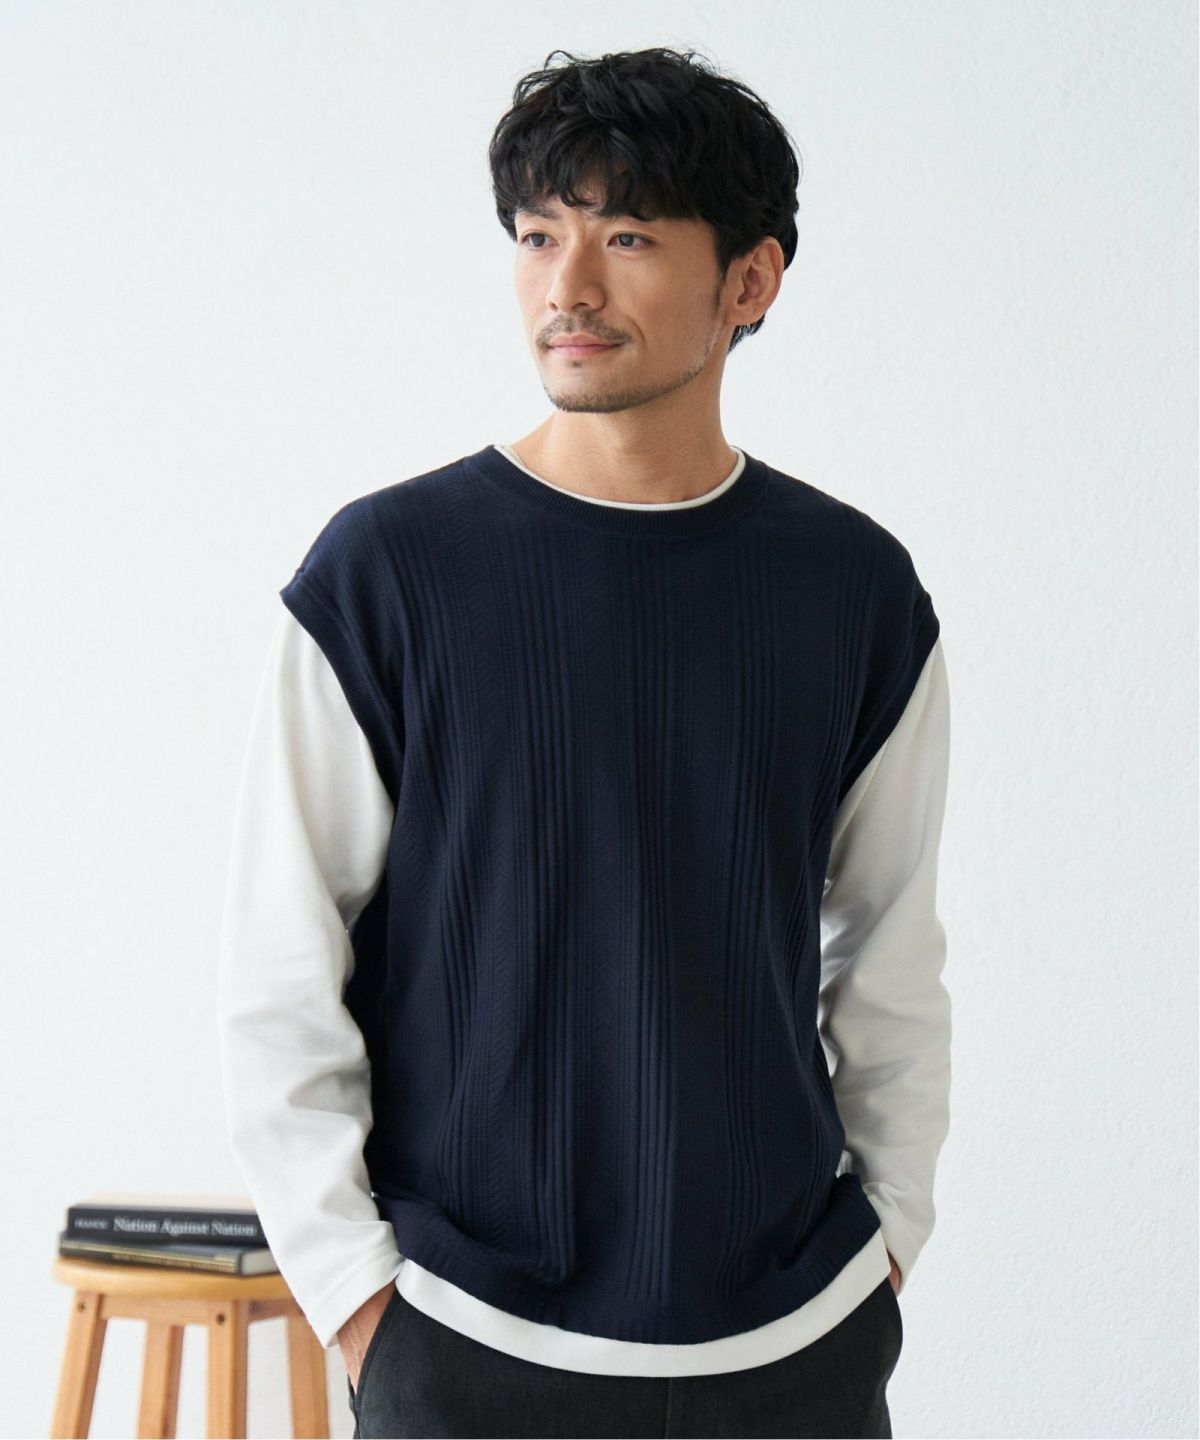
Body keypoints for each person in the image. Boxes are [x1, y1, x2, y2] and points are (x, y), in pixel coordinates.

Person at [217, 45, 951, 1440]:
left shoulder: (855, 593)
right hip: (463, 1338)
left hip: (791, 1343)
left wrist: (884, 1252)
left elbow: (890, 955)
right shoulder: (386, 576)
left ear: (751, 281)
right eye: (537, 235)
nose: (568, 287)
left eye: (626, 238)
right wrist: (362, 1304)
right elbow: (279, 971)